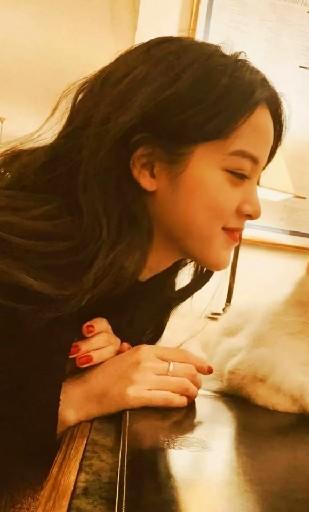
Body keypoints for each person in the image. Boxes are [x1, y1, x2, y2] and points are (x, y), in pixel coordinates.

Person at [0, 35, 284, 483]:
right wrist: (78, 398)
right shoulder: (15, 260)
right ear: (149, 166)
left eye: (257, 179)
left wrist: (95, 365)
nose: (254, 207)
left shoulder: (141, 284)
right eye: (237, 173)